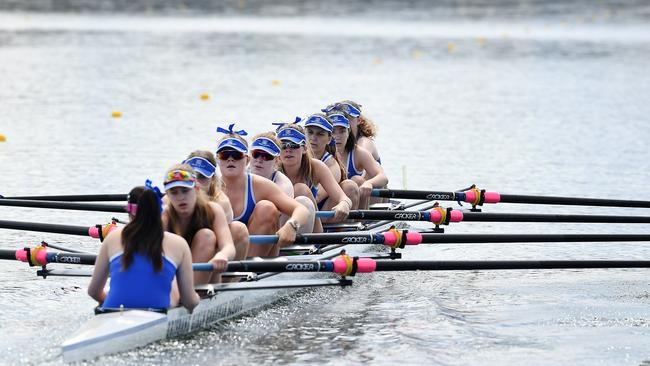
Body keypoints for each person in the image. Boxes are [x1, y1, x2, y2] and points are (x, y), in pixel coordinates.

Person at [88, 183, 199, 311]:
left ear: (129, 211)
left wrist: (111, 300)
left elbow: (93, 291)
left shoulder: (112, 238)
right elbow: (189, 302)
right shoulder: (178, 243)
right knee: (173, 282)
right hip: (157, 313)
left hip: (113, 309)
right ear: (160, 211)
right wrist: (201, 297)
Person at [215, 124, 311, 257]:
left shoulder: (260, 185)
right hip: (224, 254)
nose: (230, 159)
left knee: (266, 207)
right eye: (224, 155)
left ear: (246, 160)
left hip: (256, 256)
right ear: (218, 160)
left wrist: (291, 226)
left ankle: (249, 268)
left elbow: (302, 210)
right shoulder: (209, 188)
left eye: (236, 155)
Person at [162, 164, 236, 284]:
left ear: (196, 189)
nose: (181, 197)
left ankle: (191, 295)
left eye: (185, 191)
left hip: (208, 277)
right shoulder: (165, 216)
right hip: (176, 277)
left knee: (206, 235)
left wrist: (222, 256)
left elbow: (229, 246)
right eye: (174, 193)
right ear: (167, 195)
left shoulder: (213, 210)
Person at [276, 123, 352, 231]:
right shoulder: (271, 168)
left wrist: (344, 204)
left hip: (313, 230)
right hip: (281, 227)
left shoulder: (317, 167)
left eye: (294, 145)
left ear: (304, 148)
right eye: (283, 145)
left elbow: (343, 198)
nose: (288, 150)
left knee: (300, 189)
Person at [183, 151, 249, 260]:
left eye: (202, 177)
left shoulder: (221, 203)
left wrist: (222, 255)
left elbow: (224, 244)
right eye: (193, 178)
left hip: (211, 253)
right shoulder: (172, 199)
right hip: (184, 252)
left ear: (212, 179)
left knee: (235, 229)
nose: (197, 183)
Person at [329, 110, 388, 209]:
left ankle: (361, 220)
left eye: (342, 131)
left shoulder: (358, 152)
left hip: (351, 202)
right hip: (331, 202)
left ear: (348, 133)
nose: (337, 137)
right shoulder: (319, 153)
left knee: (358, 181)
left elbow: (383, 177)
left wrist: (369, 183)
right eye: (333, 132)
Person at [303, 113, 360, 210]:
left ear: (329, 139)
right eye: (310, 132)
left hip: (323, 212)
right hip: (302, 207)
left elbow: (317, 197)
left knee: (350, 186)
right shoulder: (294, 156)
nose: (313, 138)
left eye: (320, 134)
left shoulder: (332, 165)